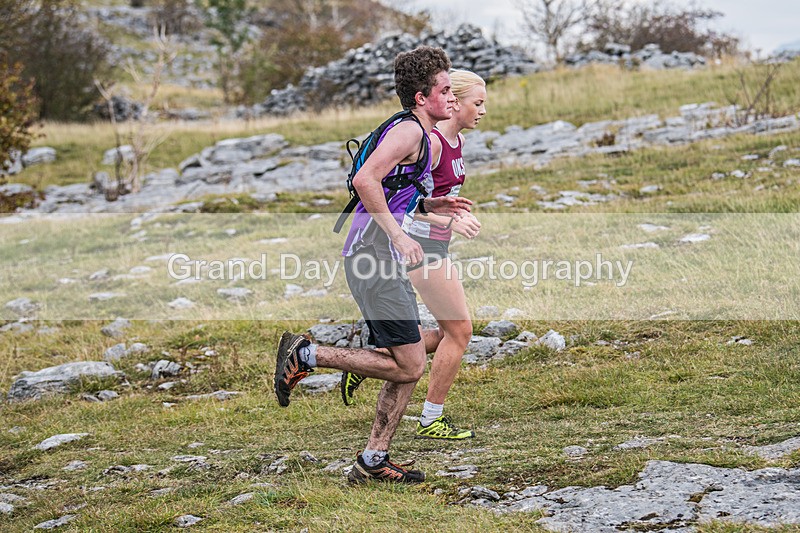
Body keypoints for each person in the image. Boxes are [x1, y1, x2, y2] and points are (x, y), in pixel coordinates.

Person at [274, 46, 473, 484]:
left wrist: (429, 204)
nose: (453, 99)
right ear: (422, 97)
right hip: (374, 256)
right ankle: (307, 354)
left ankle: (372, 460)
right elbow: (366, 181)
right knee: (410, 365)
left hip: (375, 255)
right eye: (444, 91)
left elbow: (394, 190)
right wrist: (400, 236)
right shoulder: (410, 134)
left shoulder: (417, 134)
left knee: (406, 361)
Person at [340, 70, 487, 441]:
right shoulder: (431, 143)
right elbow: (403, 201)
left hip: (437, 241)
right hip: (420, 244)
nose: (482, 110)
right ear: (454, 101)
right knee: (461, 331)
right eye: (477, 102)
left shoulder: (459, 144)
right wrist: (444, 220)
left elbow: (431, 196)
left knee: (448, 331)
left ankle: (377, 357)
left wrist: (453, 213)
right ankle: (431, 417)